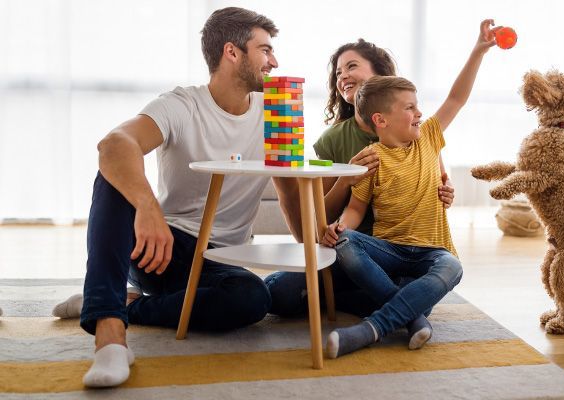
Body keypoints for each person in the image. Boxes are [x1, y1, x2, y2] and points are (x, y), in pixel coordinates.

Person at [59, 7, 280, 388]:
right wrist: (148, 208)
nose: (274, 61)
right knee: (112, 175)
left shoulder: (275, 110)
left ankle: (119, 303)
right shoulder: (181, 104)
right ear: (232, 52)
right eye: (265, 50)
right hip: (161, 248)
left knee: (251, 298)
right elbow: (114, 143)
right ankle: (109, 335)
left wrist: (318, 234)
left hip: (221, 259)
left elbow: (291, 185)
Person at [320, 19, 500, 358]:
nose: (420, 113)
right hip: (389, 252)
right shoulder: (371, 158)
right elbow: (356, 210)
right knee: (344, 242)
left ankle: (369, 329)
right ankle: (412, 317)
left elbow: (457, 97)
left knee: (453, 267)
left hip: (429, 253)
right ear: (381, 120)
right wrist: (340, 226)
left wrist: (478, 50)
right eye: (410, 108)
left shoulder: (429, 137)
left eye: (417, 106)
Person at [263, 39, 456, 317]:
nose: (343, 76)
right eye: (338, 73)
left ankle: (363, 300)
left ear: (381, 76)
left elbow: (439, 182)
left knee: (417, 287)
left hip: (401, 251)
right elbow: (320, 217)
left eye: (351, 66)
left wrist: (447, 191)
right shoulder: (331, 140)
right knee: (277, 292)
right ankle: (397, 306)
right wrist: (345, 180)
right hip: (349, 252)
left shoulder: (414, 132)